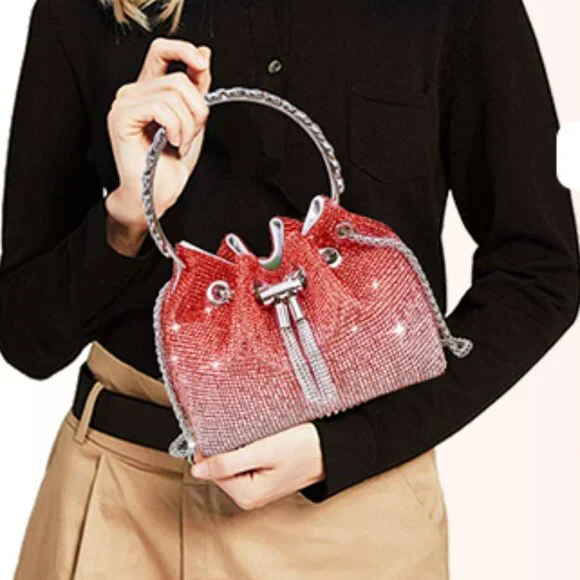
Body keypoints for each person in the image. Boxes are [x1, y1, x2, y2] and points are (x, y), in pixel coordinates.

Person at [1, 0, 578, 578]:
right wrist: (127, 216)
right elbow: (26, 337)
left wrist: (352, 443)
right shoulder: (85, 9)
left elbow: (539, 272)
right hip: (122, 507)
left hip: (358, 523)